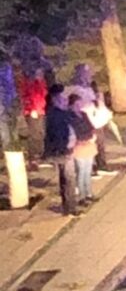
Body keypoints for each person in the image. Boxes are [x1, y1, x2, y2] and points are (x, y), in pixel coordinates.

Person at [67, 63, 116, 176]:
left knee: (100, 144)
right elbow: (80, 105)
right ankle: (88, 169)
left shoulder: (89, 88)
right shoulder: (76, 90)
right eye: (86, 74)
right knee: (87, 145)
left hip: (96, 120)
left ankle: (101, 165)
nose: (88, 76)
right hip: (86, 121)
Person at [43, 85, 78, 215]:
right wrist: (64, 148)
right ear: (56, 99)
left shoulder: (60, 112)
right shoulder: (55, 115)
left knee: (66, 179)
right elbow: (58, 134)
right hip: (63, 151)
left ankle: (68, 207)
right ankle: (70, 209)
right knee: (69, 179)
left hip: (65, 150)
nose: (65, 99)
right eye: (62, 97)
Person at [69, 94, 98, 205]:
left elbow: (91, 126)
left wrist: (93, 136)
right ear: (72, 105)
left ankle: (89, 193)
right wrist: (83, 139)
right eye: (77, 104)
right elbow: (74, 132)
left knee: (88, 170)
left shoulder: (83, 114)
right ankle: (81, 196)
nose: (80, 106)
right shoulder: (70, 117)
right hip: (79, 146)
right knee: (81, 171)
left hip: (89, 144)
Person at [17, 65, 49, 165]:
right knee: (34, 134)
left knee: (40, 133)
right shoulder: (28, 83)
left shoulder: (41, 82)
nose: (40, 75)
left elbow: (43, 94)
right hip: (33, 111)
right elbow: (26, 96)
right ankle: (34, 156)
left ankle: (39, 154)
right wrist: (31, 109)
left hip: (40, 110)